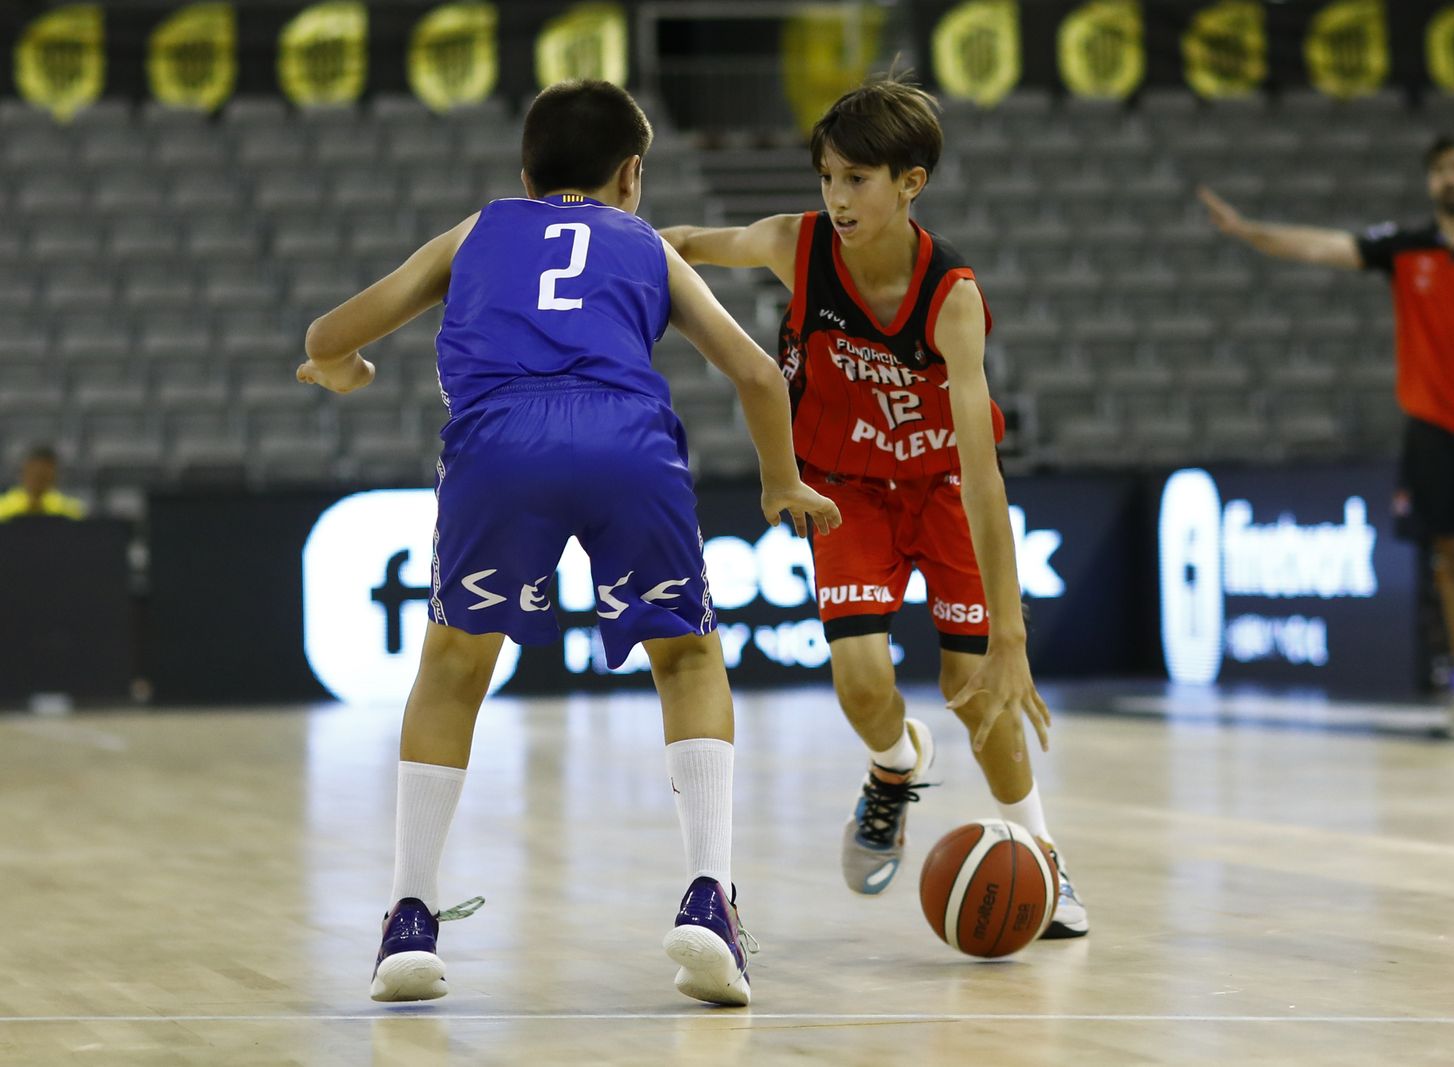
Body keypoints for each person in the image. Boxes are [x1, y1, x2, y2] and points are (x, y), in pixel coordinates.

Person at [298, 80, 840, 1007]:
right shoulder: (645, 244)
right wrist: (780, 479)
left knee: (454, 666)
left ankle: (409, 918)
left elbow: (327, 332)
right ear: (632, 174)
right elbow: (755, 370)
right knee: (687, 660)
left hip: (498, 440)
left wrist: (342, 366)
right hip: (625, 438)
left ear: (524, 172)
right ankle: (709, 899)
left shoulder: (474, 232)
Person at [660, 75, 1088, 938]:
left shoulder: (951, 296)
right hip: (843, 487)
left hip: (941, 488)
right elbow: (685, 244)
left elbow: (984, 473)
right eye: (827, 177)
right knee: (861, 685)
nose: (837, 197)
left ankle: (1045, 859)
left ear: (910, 184)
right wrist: (609, 244)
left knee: (977, 693)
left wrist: (1012, 636)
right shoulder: (797, 245)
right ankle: (894, 768)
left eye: (857, 179)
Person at [1200, 134, 1454, 739]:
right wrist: (1250, 230)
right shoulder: (1405, 249)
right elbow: (1323, 247)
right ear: (1431, 183)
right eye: (1441, 171)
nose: (1451, 179)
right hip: (1435, 430)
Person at [0, 446, 86, 522]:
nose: (38, 478)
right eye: (33, 472)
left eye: (44, 475)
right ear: (22, 472)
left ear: (55, 475)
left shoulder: (71, 512)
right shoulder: (3, 510)